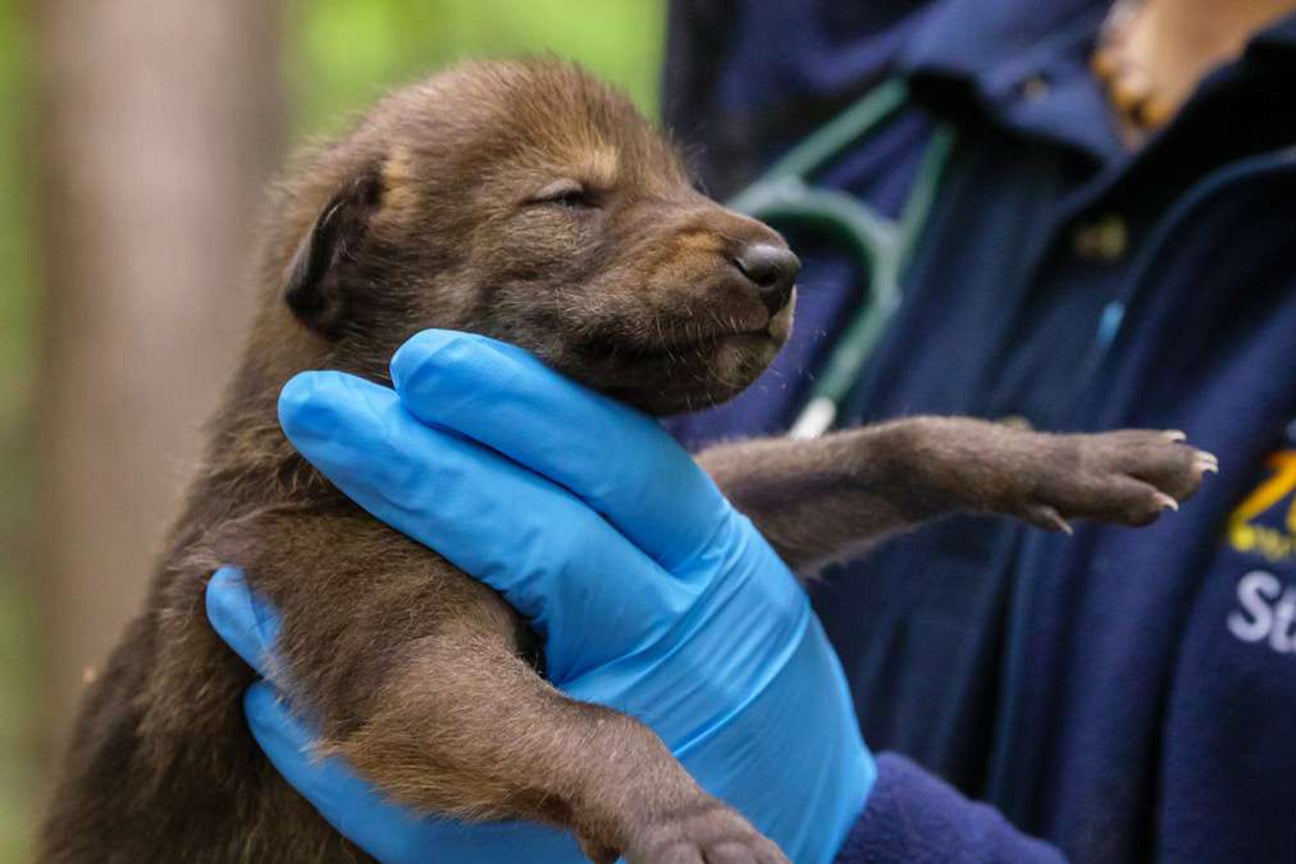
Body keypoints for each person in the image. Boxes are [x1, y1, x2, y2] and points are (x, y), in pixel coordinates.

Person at [206, 0, 1296, 861]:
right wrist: (653, 803)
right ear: (346, 260)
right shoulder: (892, 113)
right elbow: (685, 546)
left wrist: (853, 834)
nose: (748, 243)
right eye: (573, 201)